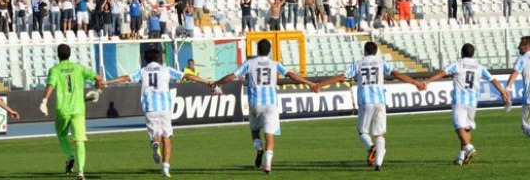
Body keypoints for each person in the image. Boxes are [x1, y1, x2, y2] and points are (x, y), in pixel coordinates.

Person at [103, 48, 213, 178]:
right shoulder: (166, 69)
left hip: (150, 108)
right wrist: (207, 82)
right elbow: (186, 76)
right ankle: (165, 168)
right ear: (159, 58)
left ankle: (155, 144)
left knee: (155, 136)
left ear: (145, 59)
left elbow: (126, 78)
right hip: (164, 107)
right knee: (166, 138)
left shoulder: (143, 71)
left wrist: (107, 82)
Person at [315, 42, 424, 171]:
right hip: (380, 101)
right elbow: (396, 74)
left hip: (365, 101)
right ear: (376, 51)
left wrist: (320, 85)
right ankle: (378, 164)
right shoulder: (381, 62)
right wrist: (415, 82)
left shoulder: (359, 63)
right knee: (380, 134)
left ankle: (371, 147)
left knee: (362, 131)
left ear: (364, 51)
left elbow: (341, 77)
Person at [214, 39, 316, 174]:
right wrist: (309, 83)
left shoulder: (250, 63)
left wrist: (217, 83)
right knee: (269, 135)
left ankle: (258, 148)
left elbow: (232, 76)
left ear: (257, 50)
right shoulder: (274, 64)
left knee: (255, 131)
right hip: (270, 104)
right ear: (269, 51)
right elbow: (290, 75)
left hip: (255, 104)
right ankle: (267, 164)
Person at [423, 43, 509, 166]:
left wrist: (427, 81)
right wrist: (503, 93)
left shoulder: (458, 64)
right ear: (473, 53)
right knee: (466, 128)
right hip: (473, 102)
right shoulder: (479, 66)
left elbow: (443, 73)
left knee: (459, 127)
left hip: (459, 100)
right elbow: (493, 79)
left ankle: (469, 148)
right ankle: (461, 157)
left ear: (462, 52)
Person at [39, 44, 104, 180]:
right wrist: (98, 91)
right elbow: (98, 78)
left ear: (58, 55)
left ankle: (69, 156)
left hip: (62, 109)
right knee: (80, 140)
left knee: (62, 135)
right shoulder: (78, 68)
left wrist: (44, 100)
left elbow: (50, 85)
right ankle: (81, 173)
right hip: (78, 109)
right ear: (70, 54)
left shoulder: (55, 70)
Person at [506, 36, 530, 137]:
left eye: (520, 45)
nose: (518, 47)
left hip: (529, 100)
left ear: (527, 46)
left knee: (525, 126)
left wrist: (507, 89)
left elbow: (515, 73)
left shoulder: (523, 59)